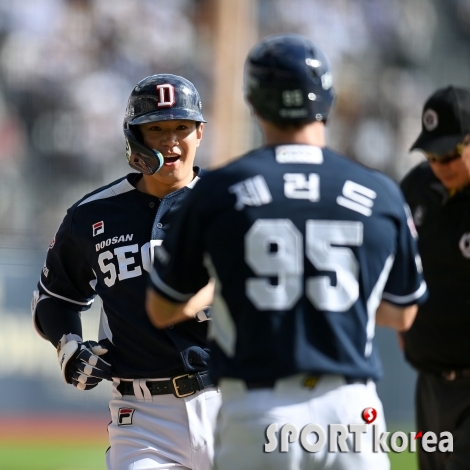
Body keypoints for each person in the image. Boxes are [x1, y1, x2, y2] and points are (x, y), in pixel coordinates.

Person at [145, 34, 428, 470]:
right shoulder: (381, 192)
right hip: (351, 411)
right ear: (329, 99)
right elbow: (403, 313)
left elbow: (163, 308)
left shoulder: (218, 190)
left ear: (253, 103)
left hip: (258, 409)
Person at [31, 74, 221, 470]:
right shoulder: (92, 215)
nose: (171, 141)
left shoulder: (232, 205)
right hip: (142, 419)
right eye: (156, 129)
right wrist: (68, 345)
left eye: (181, 127)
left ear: (199, 132)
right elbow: (54, 298)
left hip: (232, 401)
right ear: (135, 139)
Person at [400, 85, 470, 470]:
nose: (440, 164)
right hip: (429, 382)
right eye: (431, 153)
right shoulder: (416, 188)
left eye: (450, 153)